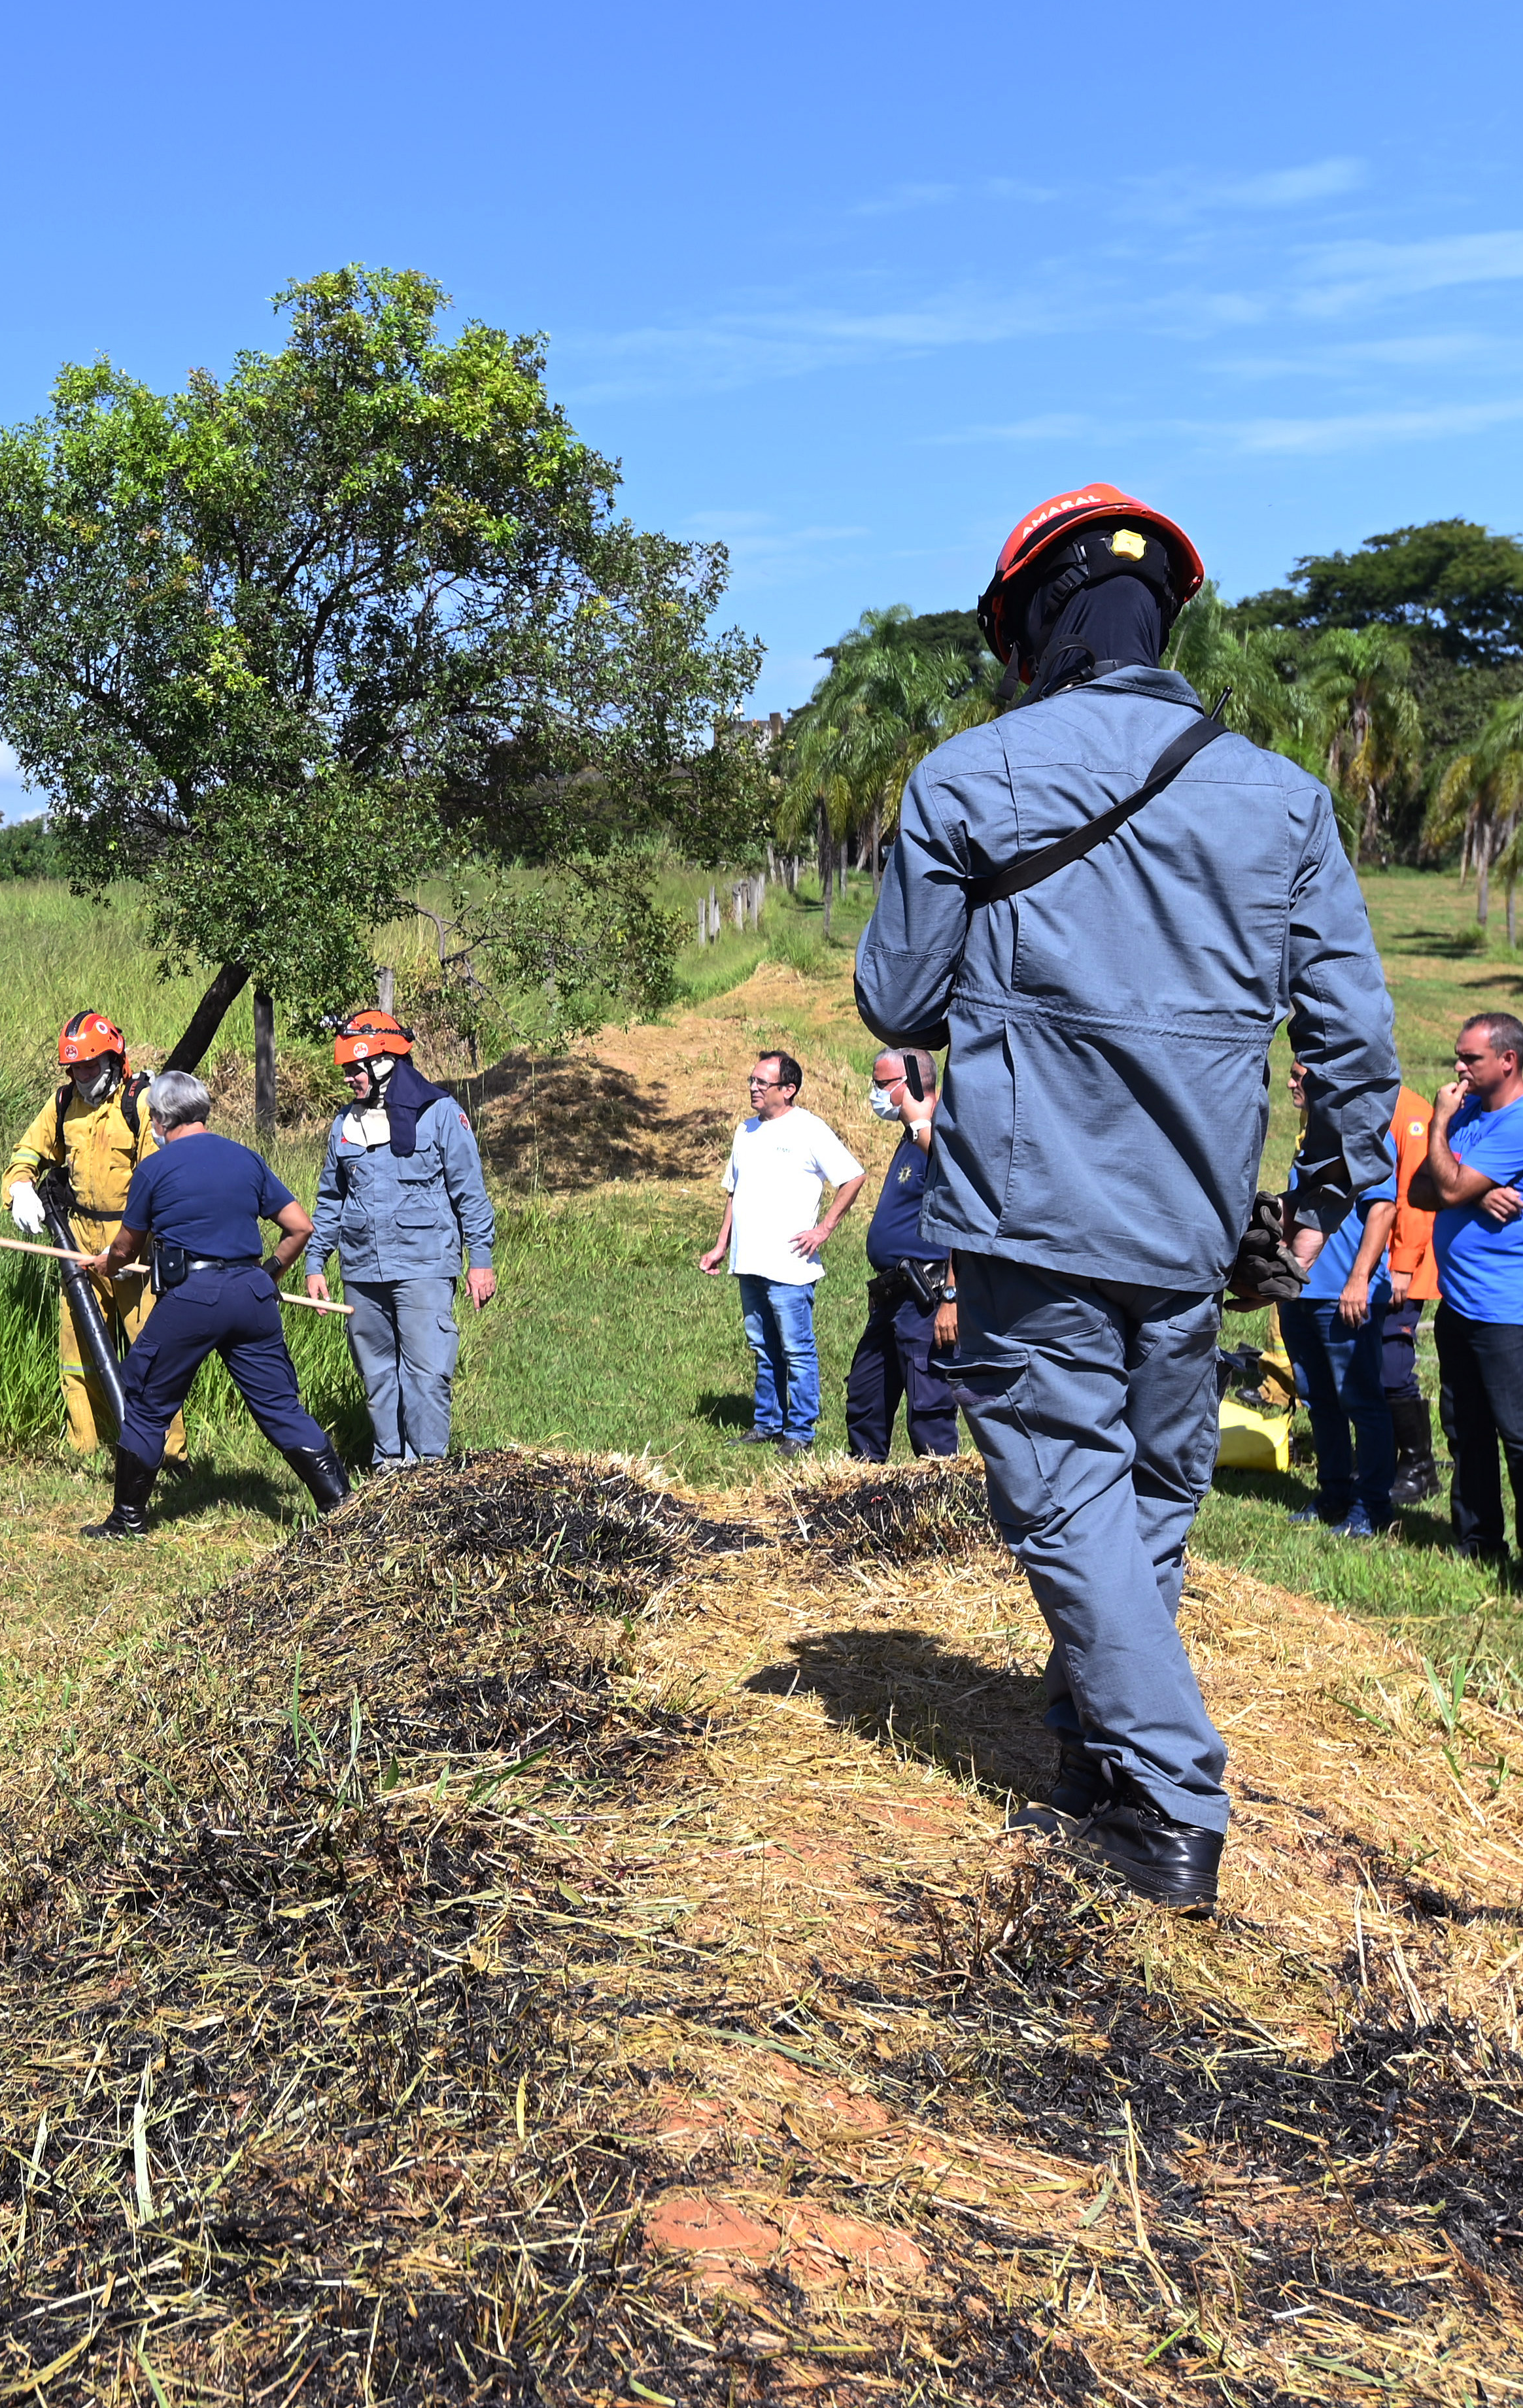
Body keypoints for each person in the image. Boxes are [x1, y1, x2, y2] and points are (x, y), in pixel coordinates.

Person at [857, 480, 1397, 1911]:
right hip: (1196, 1222)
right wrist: (1320, 1197)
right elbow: (1356, 1044)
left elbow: (897, 996)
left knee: (1067, 1497)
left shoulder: (970, 778)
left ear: (1033, 625)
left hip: (1032, 1214)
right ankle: (1094, 1742)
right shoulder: (1281, 795)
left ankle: (1168, 1802)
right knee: (1151, 1491)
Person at [78, 1072, 351, 1538]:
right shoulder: (245, 1158)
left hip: (192, 1297)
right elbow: (300, 1226)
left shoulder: (155, 1169)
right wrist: (267, 1276)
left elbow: (126, 1246)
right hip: (251, 1294)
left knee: (146, 1402)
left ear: (161, 1118)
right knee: (281, 1406)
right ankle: (342, 1506)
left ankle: (127, 1520)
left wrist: (109, 1264)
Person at [301, 1009, 496, 1466]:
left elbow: (471, 1193)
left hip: (425, 1267)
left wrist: (480, 1260)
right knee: (377, 1374)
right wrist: (316, 1261)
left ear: (385, 1061)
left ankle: (427, 1473)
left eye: (355, 1067)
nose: (349, 1077)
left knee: (426, 1373)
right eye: (346, 1069)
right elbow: (331, 1199)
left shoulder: (441, 1114)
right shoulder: (345, 1125)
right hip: (362, 1270)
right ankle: (389, 1467)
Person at [5, 1011, 180, 1461]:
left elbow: (160, 1180)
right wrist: (21, 1187)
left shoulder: (141, 1104)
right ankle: (89, 1448)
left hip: (135, 1245)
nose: (82, 1077)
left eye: (90, 1066)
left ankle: (170, 1455)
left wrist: (127, 1245)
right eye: (75, 1068)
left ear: (113, 1059)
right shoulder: (64, 1104)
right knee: (76, 1351)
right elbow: (27, 1150)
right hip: (79, 1242)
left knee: (152, 1354)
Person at [694, 1051, 866, 1455]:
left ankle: (801, 1432)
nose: (753, 1088)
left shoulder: (809, 1130)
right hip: (749, 1261)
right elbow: (735, 1192)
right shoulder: (745, 1131)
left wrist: (823, 1230)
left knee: (796, 1350)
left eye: (762, 1083)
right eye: (751, 1080)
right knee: (762, 1347)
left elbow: (853, 1176)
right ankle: (767, 1423)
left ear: (788, 1090)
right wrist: (722, 1245)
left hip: (790, 1265)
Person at [1273, 1060, 1399, 1540]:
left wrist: (1359, 1280)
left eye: (1298, 1074)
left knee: (1361, 1400)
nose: (1290, 1082)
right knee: (1318, 1399)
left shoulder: (1364, 1133)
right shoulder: (1310, 1139)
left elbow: (1383, 1210)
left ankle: (1372, 1507)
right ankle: (1334, 1494)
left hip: (1344, 1293)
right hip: (1302, 1290)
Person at [1416, 1013, 1523, 1561]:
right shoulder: (1474, 1113)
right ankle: (1479, 1543)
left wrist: (1439, 1125)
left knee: (1519, 1435)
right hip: (1460, 1304)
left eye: (1471, 1058)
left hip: (1507, 1312)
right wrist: (1475, 1193)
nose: (1458, 1067)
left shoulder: (1515, 1123)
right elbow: (1421, 1188)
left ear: (1507, 1061)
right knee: (1466, 1428)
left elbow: (1447, 1180)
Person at [844, 1048, 959, 1463]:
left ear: (909, 1084)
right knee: (865, 1396)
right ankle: (863, 1495)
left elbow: (965, 1191)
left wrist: (952, 1297)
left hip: (926, 1297)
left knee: (928, 1407)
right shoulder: (911, 1138)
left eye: (881, 1085)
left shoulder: (944, 1133)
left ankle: (941, 1493)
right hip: (891, 1295)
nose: (875, 1095)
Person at [1379, 1079, 1445, 1506]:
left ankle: (1420, 1466)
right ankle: (1385, 1459)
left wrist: (1401, 1265)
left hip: (1402, 1267)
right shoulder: (1362, 1104)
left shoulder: (1413, 1113)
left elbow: (1417, 1198)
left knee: (1392, 1365)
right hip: (1369, 1263)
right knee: (1369, 1367)